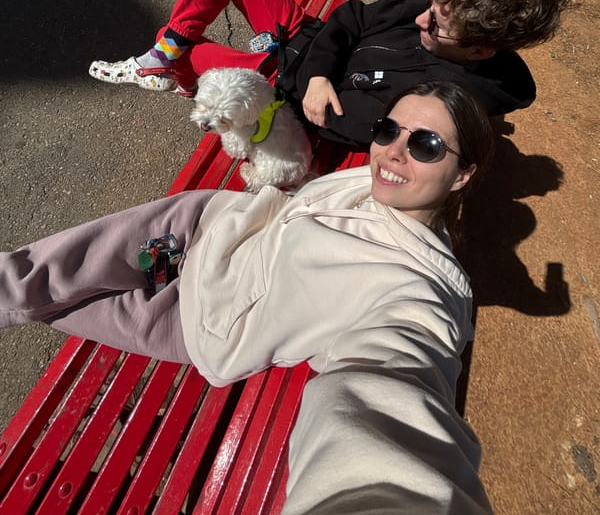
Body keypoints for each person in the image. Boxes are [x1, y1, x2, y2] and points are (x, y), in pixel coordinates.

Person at [2, 81, 495, 513]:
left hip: (192, 316)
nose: (393, 152)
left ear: (464, 173)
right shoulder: (380, 187)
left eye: (427, 145)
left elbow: (393, 382)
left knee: (58, 297)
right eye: (389, 130)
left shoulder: (420, 292)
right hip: (201, 227)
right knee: (46, 275)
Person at [88, 0, 575, 145]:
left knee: (197, 56)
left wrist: (309, 78)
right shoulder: (443, 8)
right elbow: (354, 16)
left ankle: (181, 69)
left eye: (438, 27)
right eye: (432, 5)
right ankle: (160, 56)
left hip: (280, 87)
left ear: (480, 50)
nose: (423, 20)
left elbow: (332, 120)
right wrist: (322, 68)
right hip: (304, 41)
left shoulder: (438, 102)